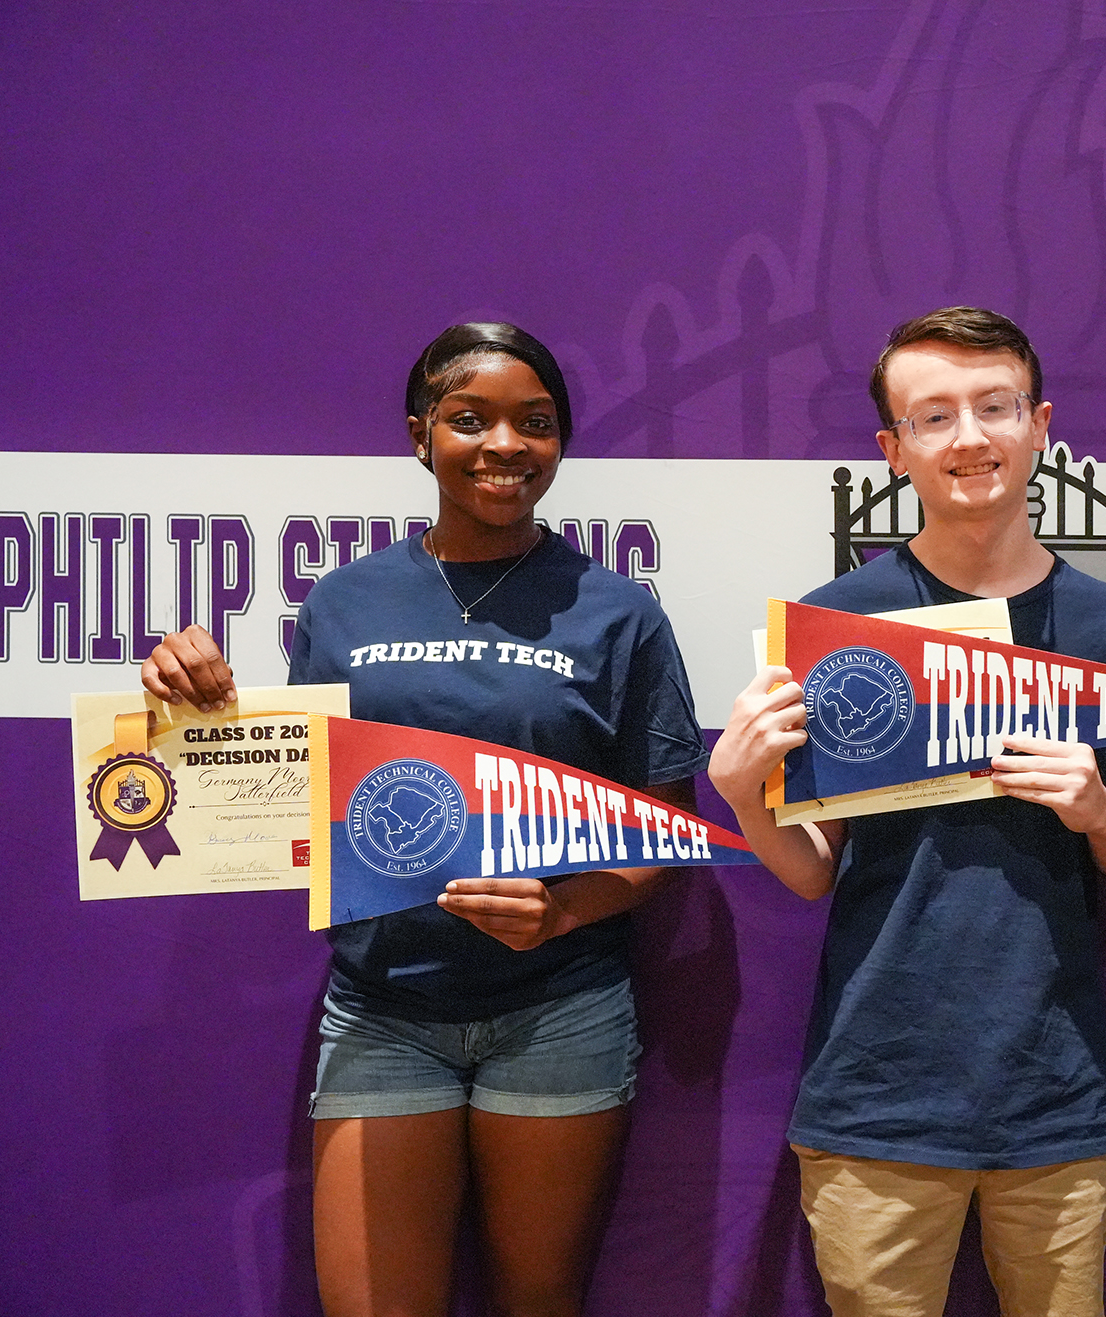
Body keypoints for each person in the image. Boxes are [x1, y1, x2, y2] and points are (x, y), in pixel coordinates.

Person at [142, 323, 708, 1317]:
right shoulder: (344, 603)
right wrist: (197, 715)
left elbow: (666, 827)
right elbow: (297, 792)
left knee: (539, 1300)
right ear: (419, 435)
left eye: (534, 424)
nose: (504, 445)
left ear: (560, 445)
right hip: (382, 1007)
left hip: (561, 1009)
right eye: (470, 419)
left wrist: (567, 913)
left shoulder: (617, 612)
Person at [708, 307, 1106, 1317]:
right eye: (933, 417)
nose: (969, 437)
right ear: (893, 451)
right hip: (876, 1094)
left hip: (1057, 1093)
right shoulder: (837, 624)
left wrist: (1101, 811)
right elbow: (813, 870)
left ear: (1041, 425)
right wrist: (738, 793)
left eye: (994, 407)